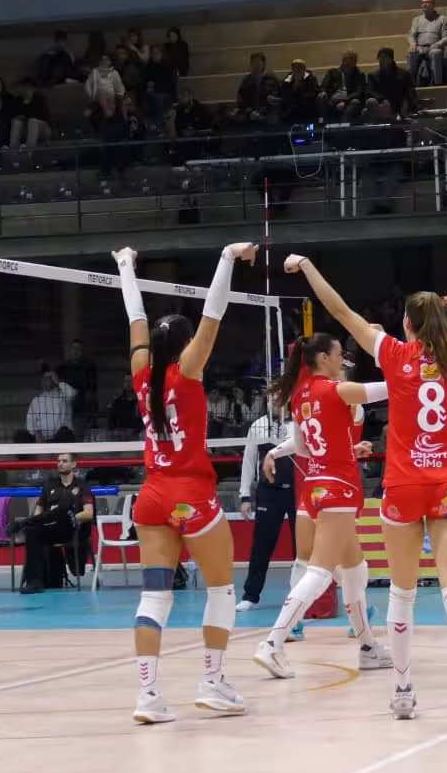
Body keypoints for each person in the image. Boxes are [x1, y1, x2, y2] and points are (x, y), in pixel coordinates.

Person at [283, 254, 447, 729]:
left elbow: (342, 310)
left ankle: (404, 690)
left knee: (402, 591)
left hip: (403, 486)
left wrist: (308, 267)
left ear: (408, 325)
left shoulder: (393, 354)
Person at [115, 241, 257, 724]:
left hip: (151, 496)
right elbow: (215, 311)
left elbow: (135, 318)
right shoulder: (188, 370)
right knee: (220, 589)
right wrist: (226, 258)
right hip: (190, 494)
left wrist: (125, 266)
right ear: (183, 345)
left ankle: (147, 696)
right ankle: (212, 683)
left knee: (154, 596)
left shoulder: (141, 373)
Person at [251, 333, 393, 677]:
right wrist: (413, 371)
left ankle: (368, 646)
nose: (341, 360)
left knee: (356, 570)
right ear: (323, 359)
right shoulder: (338, 390)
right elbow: (387, 389)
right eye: (338, 355)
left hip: (314, 487)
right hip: (338, 489)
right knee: (320, 570)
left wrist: (343, 451)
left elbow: (301, 447)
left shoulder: (300, 395)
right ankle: (273, 642)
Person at [235, 406, 297, 613]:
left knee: (303, 548)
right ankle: (250, 595)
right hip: (269, 493)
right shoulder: (258, 426)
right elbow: (249, 461)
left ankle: (301, 596)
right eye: (272, 398)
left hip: (298, 492)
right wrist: (245, 496)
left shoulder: (299, 423)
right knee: (261, 546)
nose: (277, 403)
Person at [14, 453, 95, 593]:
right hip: (51, 527)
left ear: (74, 464)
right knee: (32, 532)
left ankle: (29, 522)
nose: (60, 463)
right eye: (58, 461)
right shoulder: (49, 485)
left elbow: (88, 513)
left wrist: (72, 517)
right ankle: (34, 582)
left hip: (73, 528)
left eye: (64, 461)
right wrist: (35, 522)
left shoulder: (83, 486)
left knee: (63, 511)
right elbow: (38, 510)